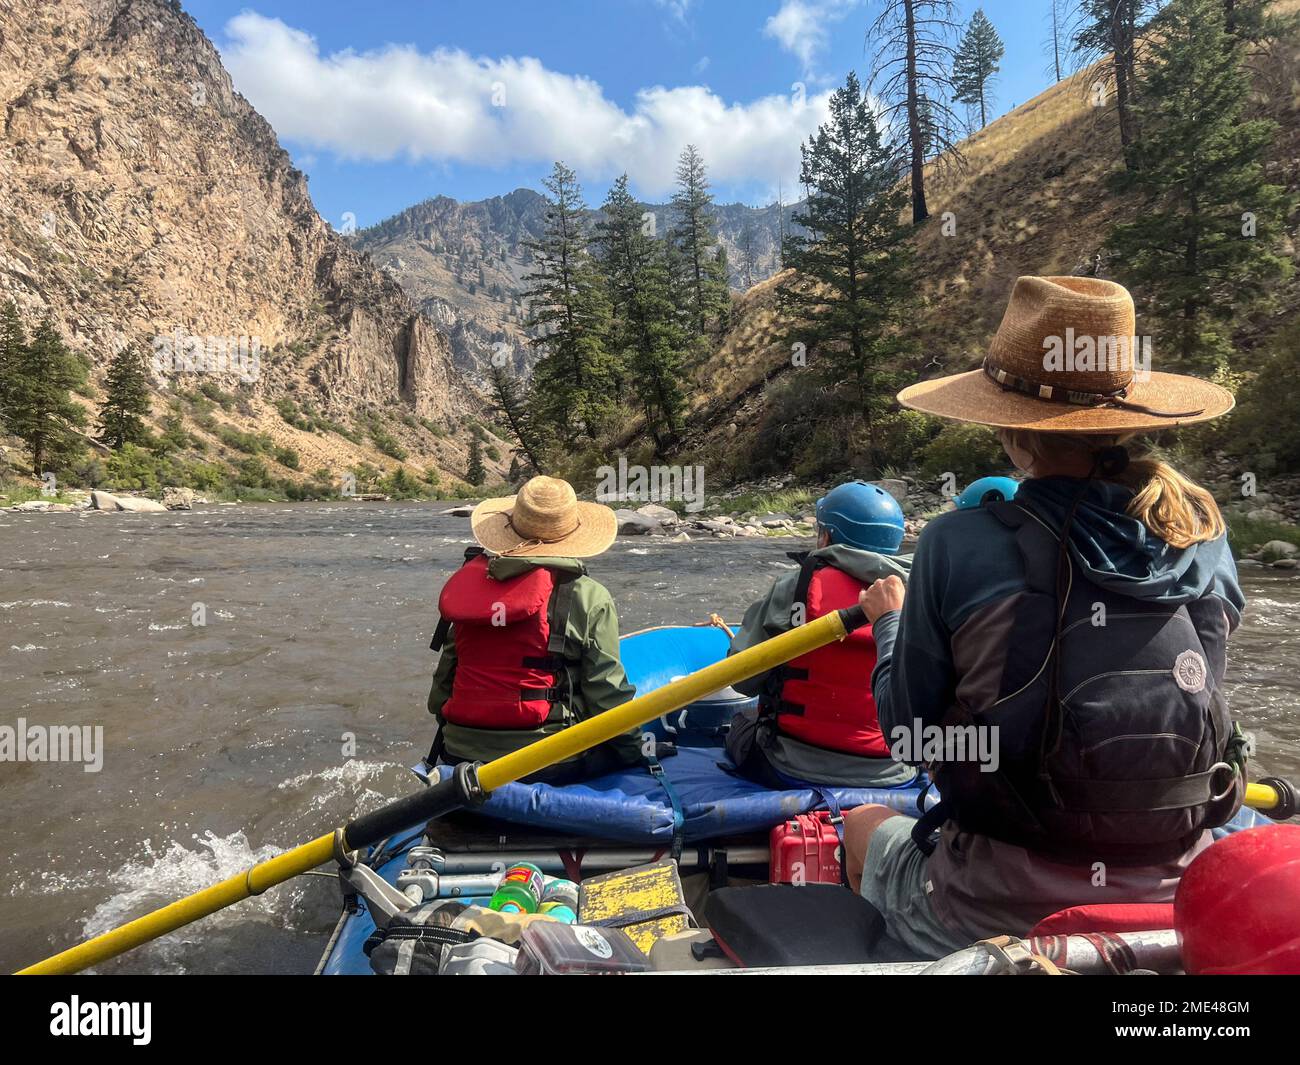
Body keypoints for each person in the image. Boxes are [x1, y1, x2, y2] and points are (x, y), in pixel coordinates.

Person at [843, 275, 1248, 959]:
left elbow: (909, 734)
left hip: (991, 913)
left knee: (863, 822)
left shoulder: (955, 541)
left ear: (1009, 428)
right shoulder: (1201, 534)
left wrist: (889, 626)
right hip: (1171, 905)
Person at [426, 475, 643, 785]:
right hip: (548, 762)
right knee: (618, 751)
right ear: (573, 536)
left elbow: (440, 695)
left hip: (460, 757)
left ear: (509, 529)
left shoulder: (470, 592)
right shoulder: (590, 596)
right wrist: (636, 752)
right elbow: (606, 695)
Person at [724, 481, 918, 789]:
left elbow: (743, 680)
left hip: (789, 767)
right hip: (895, 772)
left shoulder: (794, 586)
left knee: (740, 721)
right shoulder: (924, 593)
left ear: (826, 536)